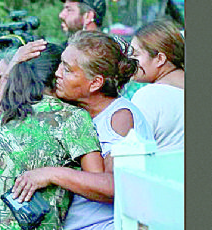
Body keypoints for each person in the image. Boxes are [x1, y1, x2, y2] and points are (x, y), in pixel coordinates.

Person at [11, 30, 155, 230]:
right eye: (61, 63)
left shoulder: (120, 117)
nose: (57, 73)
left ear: (95, 83)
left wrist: (51, 174)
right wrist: (13, 66)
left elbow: (113, 186)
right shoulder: (74, 110)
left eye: (68, 70)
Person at [0, 43, 105, 230]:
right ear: (57, 75)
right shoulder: (70, 117)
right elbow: (97, 183)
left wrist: (14, 64)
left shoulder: (9, 115)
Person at [130, 19, 184, 152]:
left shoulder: (149, 96)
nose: (130, 61)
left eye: (136, 55)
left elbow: (131, 154)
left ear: (160, 59)